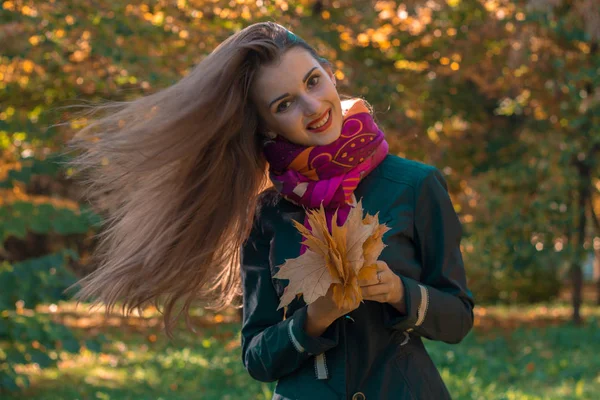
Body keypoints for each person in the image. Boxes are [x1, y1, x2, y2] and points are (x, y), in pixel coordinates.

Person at [66, 22, 474, 400]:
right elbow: (257, 358)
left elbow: (457, 318)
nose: (312, 107)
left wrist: (400, 293)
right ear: (265, 125)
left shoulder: (415, 184)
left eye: (313, 81)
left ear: (330, 73)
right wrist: (314, 319)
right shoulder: (265, 214)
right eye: (284, 104)